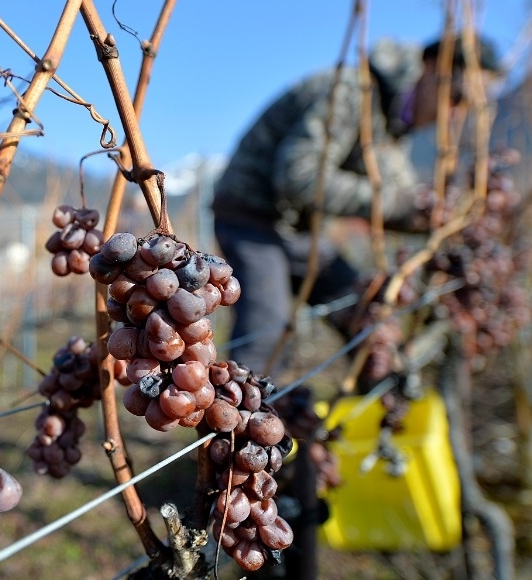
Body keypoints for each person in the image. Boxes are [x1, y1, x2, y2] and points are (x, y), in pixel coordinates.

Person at [212, 35, 501, 376]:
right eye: (457, 99)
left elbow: (396, 198)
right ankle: (235, 423)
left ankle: (368, 416)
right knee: (267, 334)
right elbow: (300, 176)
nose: (455, 116)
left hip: (299, 230)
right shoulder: (353, 92)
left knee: (369, 315)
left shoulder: (393, 123)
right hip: (250, 217)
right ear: (434, 68)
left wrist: (431, 218)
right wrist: (401, 205)